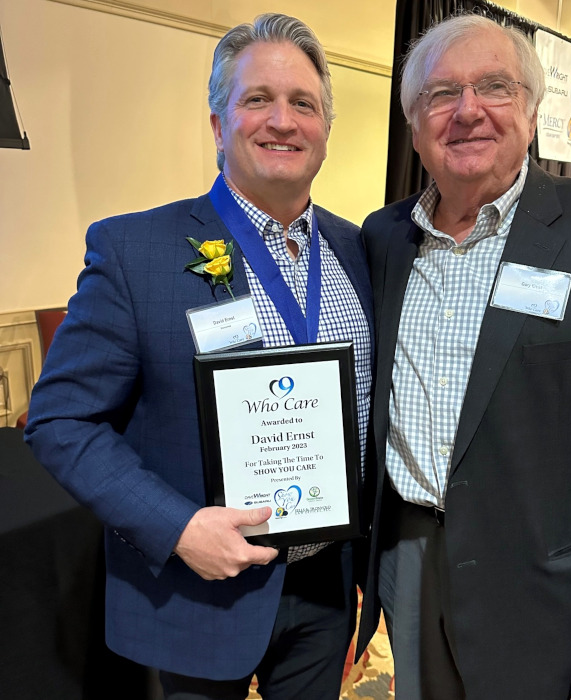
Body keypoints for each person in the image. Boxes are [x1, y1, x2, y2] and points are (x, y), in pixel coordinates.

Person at [25, 13, 373, 700]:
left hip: (327, 588)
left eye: (303, 103)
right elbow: (61, 421)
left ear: (325, 130)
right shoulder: (136, 252)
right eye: (257, 100)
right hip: (198, 589)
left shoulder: (359, 250)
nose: (283, 120)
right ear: (218, 127)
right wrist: (178, 528)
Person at [355, 13, 571, 700]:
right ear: (415, 126)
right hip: (409, 561)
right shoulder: (382, 239)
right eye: (441, 94)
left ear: (532, 114)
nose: (468, 110)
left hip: (546, 592)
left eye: (494, 87)